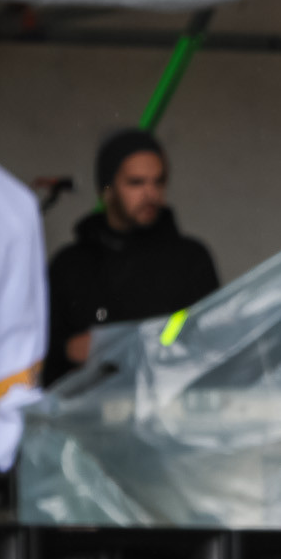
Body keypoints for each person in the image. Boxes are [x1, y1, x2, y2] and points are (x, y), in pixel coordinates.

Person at [44, 129, 218, 384]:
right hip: (90, 405)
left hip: (168, 402)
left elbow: (210, 342)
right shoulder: (70, 265)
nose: (150, 193)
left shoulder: (190, 259)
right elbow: (40, 354)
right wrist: (68, 349)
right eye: (136, 182)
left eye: (158, 182)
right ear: (107, 189)